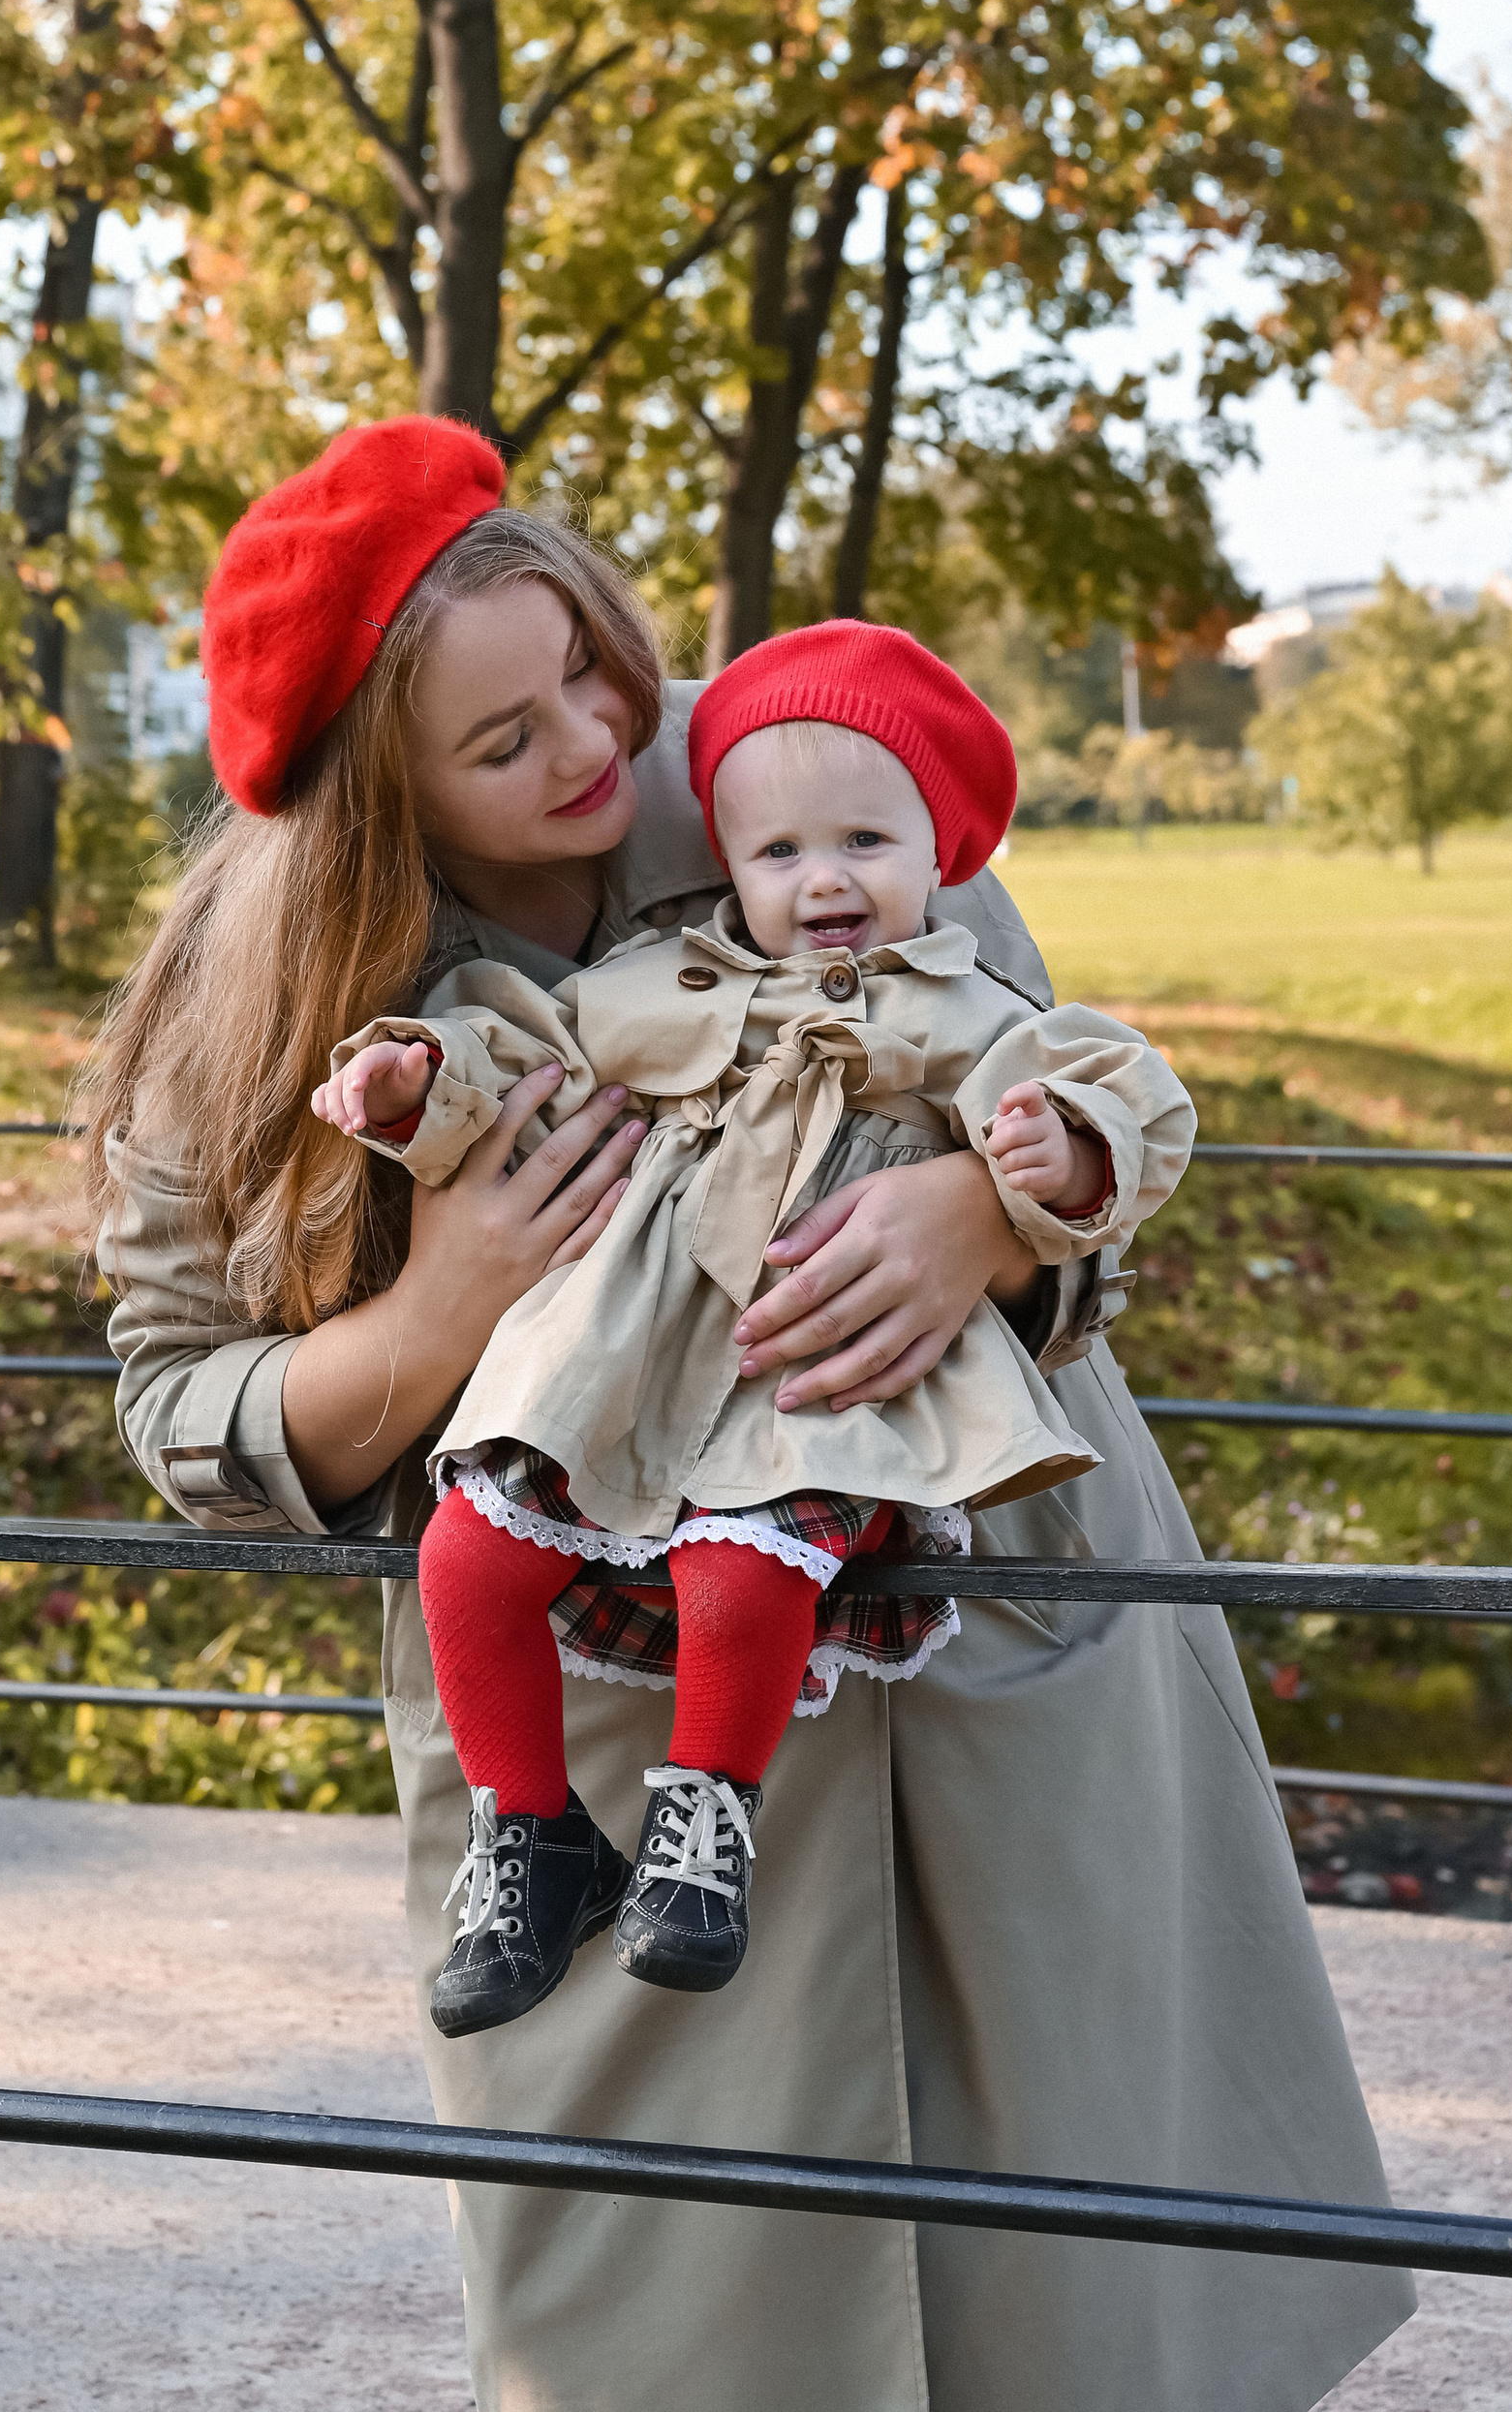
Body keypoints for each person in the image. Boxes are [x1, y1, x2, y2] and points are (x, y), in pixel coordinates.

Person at [89, 413, 1411, 2412]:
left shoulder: (800, 759)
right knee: (669, 2316)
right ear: (382, 799)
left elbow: (1069, 1102)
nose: (594, 744)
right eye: (504, 737)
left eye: (588, 665)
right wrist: (440, 1311)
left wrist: (986, 1220)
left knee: (1079, 2274)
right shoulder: (251, 996)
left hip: (982, 1611)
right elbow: (182, 1399)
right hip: (602, 1705)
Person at [314, 621, 1197, 2032]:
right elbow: (526, 1046)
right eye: (778, 852)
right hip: (623, 1358)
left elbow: (1122, 1094)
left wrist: (1054, 1157)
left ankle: (703, 1830)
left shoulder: (968, 1011)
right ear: (726, 862)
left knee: (747, 1573)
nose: (824, 880)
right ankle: (529, 1832)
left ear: (939, 849)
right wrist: (420, 1080)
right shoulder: (666, 985)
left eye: (865, 841)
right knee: (467, 1557)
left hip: (814, 1369)